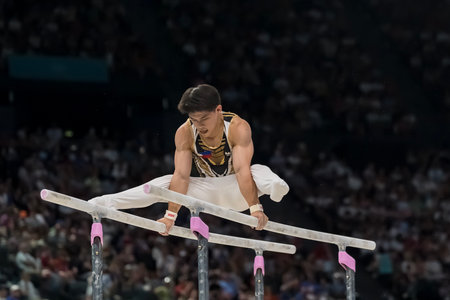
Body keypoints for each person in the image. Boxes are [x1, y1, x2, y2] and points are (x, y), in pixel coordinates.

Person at [89, 84, 289, 235]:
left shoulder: (237, 127)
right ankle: (107, 202)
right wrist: (170, 217)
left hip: (238, 190)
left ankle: (275, 188)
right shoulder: (185, 132)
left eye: (204, 119)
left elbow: (242, 171)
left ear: (218, 110)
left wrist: (255, 210)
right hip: (205, 193)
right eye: (194, 120)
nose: (199, 125)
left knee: (257, 169)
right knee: (166, 182)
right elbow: (182, 177)